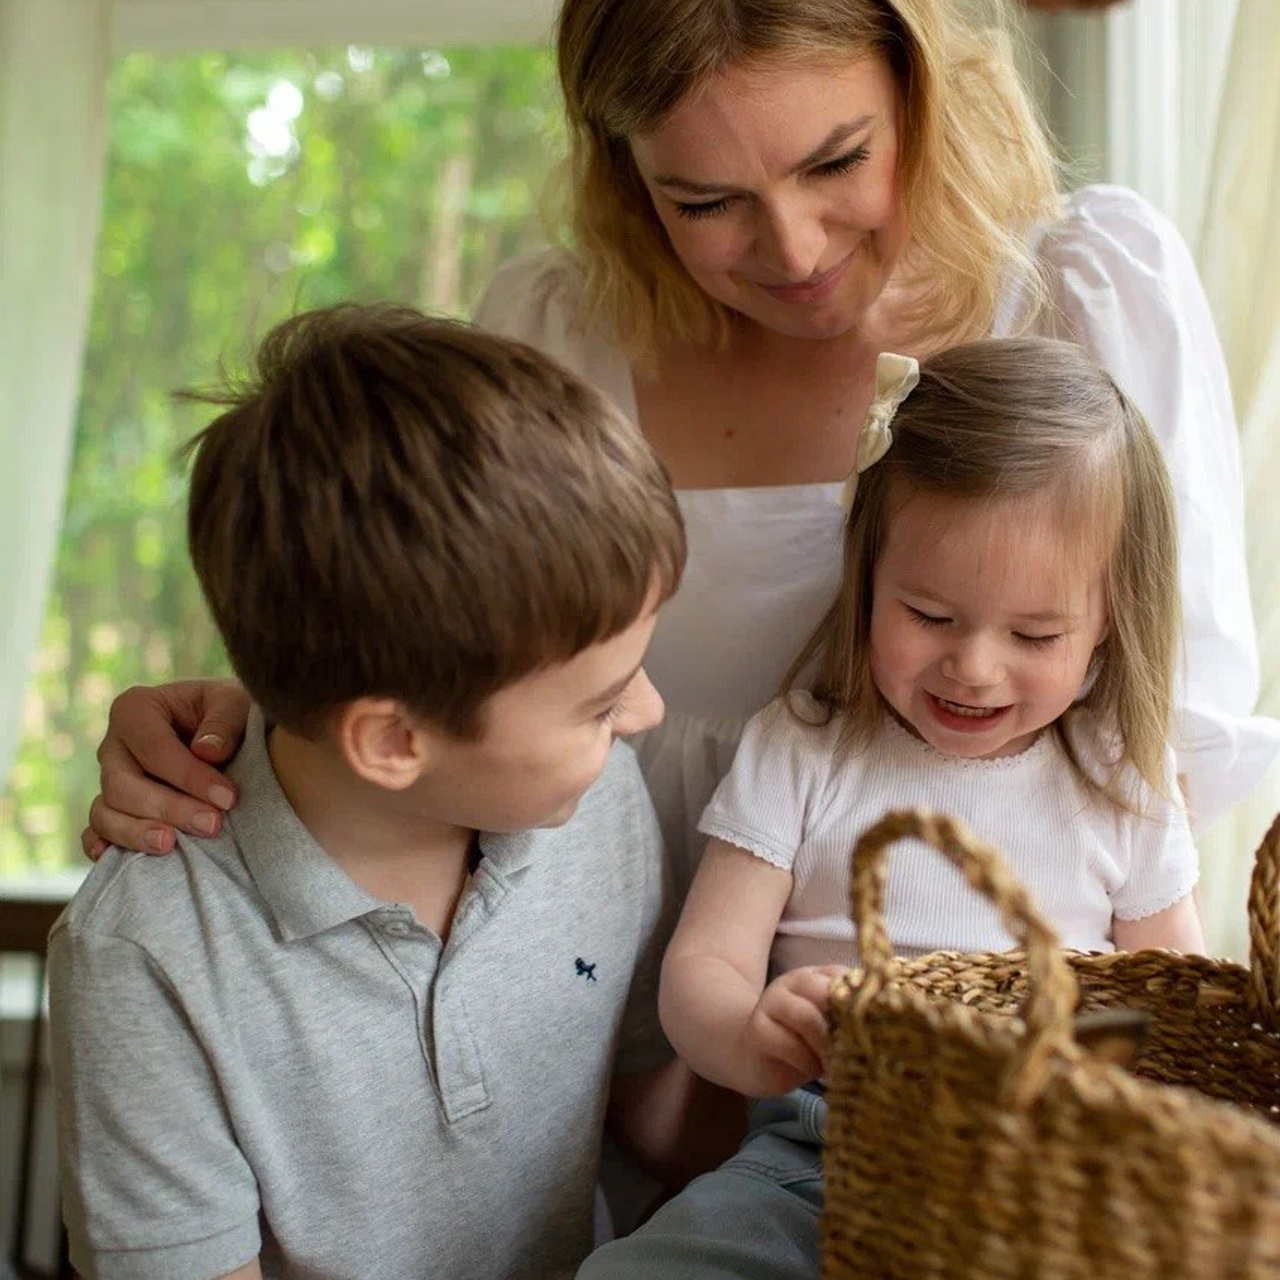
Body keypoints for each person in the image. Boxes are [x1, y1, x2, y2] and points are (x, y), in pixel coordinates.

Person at [83, 0, 1276, 907]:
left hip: (950, 1008)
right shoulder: (556, 330)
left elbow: (1173, 724)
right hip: (577, 1004)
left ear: (919, 86)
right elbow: (450, 643)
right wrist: (244, 718)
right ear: (623, 173)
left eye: (834, 161)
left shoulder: (1083, 287)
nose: (793, 247)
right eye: (704, 201)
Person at [47, 305, 740, 1280]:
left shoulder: (597, 805)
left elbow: (652, 1112)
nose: (643, 713)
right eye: (594, 703)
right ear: (392, 740)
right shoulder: (144, 956)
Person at [576, 335, 1207, 1279]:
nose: (974, 666)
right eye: (929, 615)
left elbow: (1182, 1000)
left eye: (1035, 633)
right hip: (818, 1157)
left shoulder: (1119, 778)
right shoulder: (807, 744)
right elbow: (703, 966)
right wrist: (752, 1039)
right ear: (866, 575)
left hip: (1047, 1168)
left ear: (1110, 621)